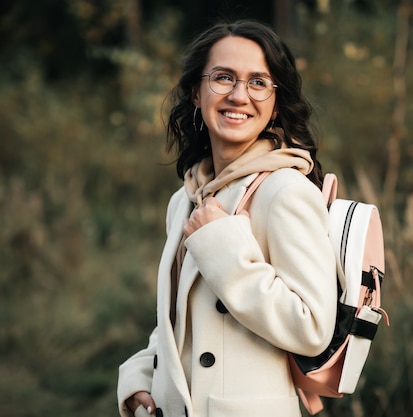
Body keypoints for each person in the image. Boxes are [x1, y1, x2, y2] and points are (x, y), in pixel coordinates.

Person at [117, 20, 337, 417]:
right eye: (223, 78)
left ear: (274, 102)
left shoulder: (286, 191)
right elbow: (181, 320)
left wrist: (222, 245)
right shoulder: (185, 199)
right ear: (195, 94)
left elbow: (312, 329)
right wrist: (141, 375)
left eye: (258, 83)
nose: (239, 96)